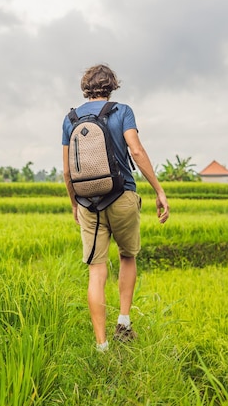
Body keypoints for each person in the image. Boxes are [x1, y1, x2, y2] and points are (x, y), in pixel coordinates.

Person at [62, 64, 170, 352]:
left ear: (85, 87)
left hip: (88, 203)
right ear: (112, 85)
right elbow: (136, 150)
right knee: (127, 256)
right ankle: (124, 323)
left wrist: (75, 204)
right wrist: (159, 190)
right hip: (122, 196)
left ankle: (102, 346)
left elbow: (66, 172)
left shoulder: (70, 119)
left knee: (96, 271)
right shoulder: (122, 111)